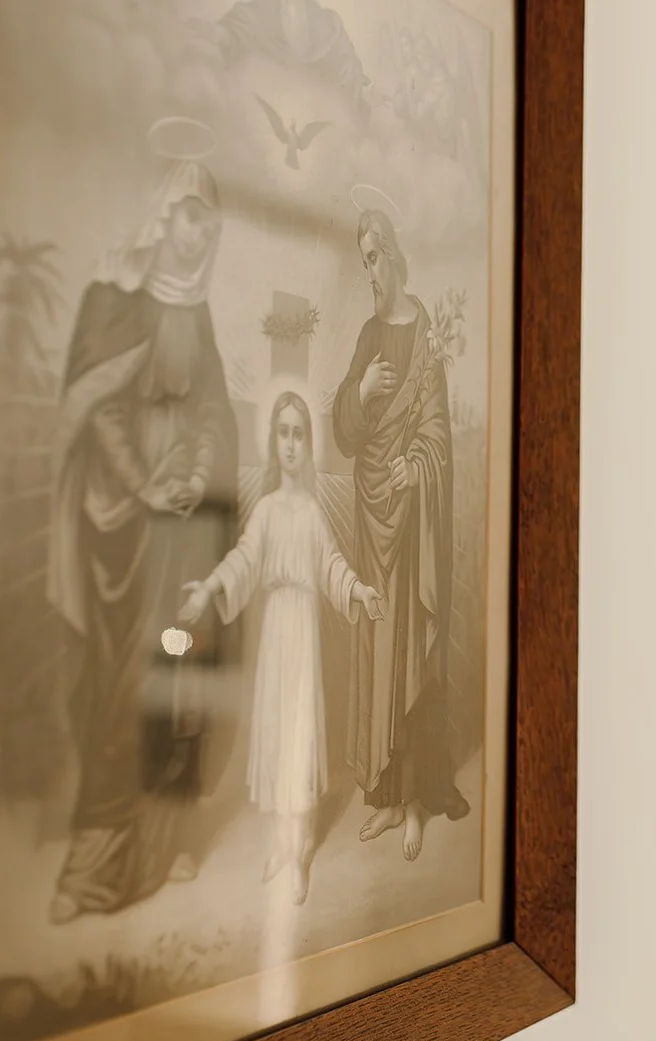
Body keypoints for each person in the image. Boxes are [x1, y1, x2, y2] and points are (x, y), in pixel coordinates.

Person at [45, 160, 238, 923]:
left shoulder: (199, 313)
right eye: (193, 217)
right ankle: (90, 870)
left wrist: (193, 471)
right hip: (122, 527)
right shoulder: (113, 298)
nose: (201, 235)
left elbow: (213, 412)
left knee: (177, 676)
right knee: (118, 686)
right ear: (164, 214)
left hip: (181, 532)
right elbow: (98, 410)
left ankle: (165, 840)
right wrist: (144, 484)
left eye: (211, 225)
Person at [178, 391, 384, 904]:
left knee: (299, 734)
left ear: (307, 444)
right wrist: (207, 589)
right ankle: (280, 844)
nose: (290, 444)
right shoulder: (267, 510)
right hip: (275, 631)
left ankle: (301, 850)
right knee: (274, 734)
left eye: (298, 434)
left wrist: (359, 591)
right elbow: (244, 560)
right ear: (273, 441)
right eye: (283, 433)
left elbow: (333, 565)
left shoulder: (311, 512)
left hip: (303, 631)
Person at [332, 208, 468, 862]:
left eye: (373, 257)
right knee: (378, 651)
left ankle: (415, 802)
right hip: (371, 517)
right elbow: (343, 429)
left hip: (410, 522)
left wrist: (416, 465)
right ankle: (387, 799)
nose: (369, 271)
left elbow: (437, 428)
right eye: (362, 260)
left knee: (409, 649)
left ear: (392, 254)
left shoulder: (425, 336)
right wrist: (361, 389)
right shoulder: (368, 336)